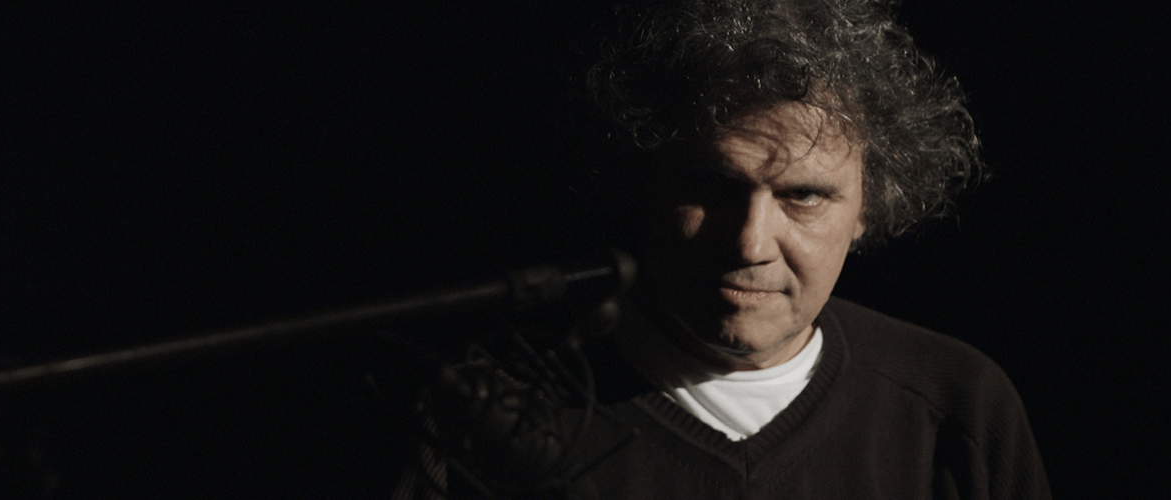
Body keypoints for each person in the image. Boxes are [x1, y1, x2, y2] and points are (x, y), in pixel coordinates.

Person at [398, 0, 1050, 498]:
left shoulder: (958, 407)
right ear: (644, 182)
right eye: (712, 185)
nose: (749, 242)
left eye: (803, 196)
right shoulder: (493, 409)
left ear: (869, 209)